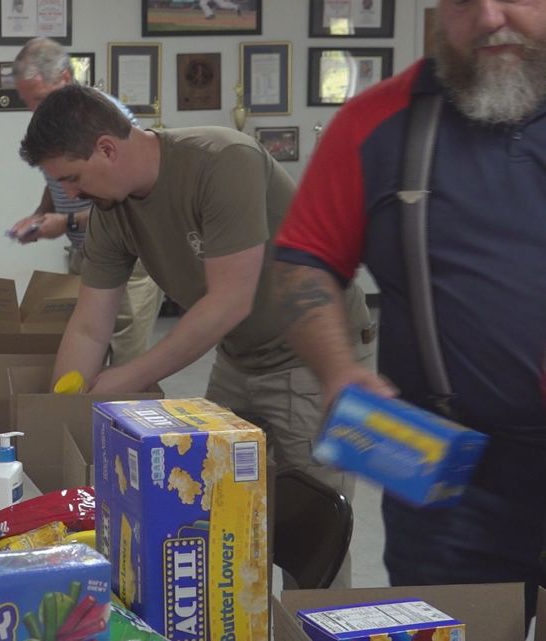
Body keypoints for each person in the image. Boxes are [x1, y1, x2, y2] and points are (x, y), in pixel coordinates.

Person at [20, 84, 373, 586]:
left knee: (312, 533)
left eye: (72, 178)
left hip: (313, 354)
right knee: (214, 501)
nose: (70, 195)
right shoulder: (111, 211)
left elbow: (230, 300)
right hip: (240, 354)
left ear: (106, 148)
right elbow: (89, 323)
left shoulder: (223, 160)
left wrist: (130, 377)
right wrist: (64, 406)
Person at [275, 0, 546, 615]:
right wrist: (337, 369)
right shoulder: (375, 123)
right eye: (462, 2)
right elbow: (302, 261)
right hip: (449, 486)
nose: (488, 17)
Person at [7, 37, 162, 366]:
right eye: (28, 102)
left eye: (38, 98)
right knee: (86, 350)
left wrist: (66, 222)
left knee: (128, 361)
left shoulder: (105, 120)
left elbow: (128, 204)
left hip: (126, 257)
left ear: (64, 79)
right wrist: (41, 213)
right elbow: (59, 180)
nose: (34, 110)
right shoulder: (57, 122)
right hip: (85, 252)